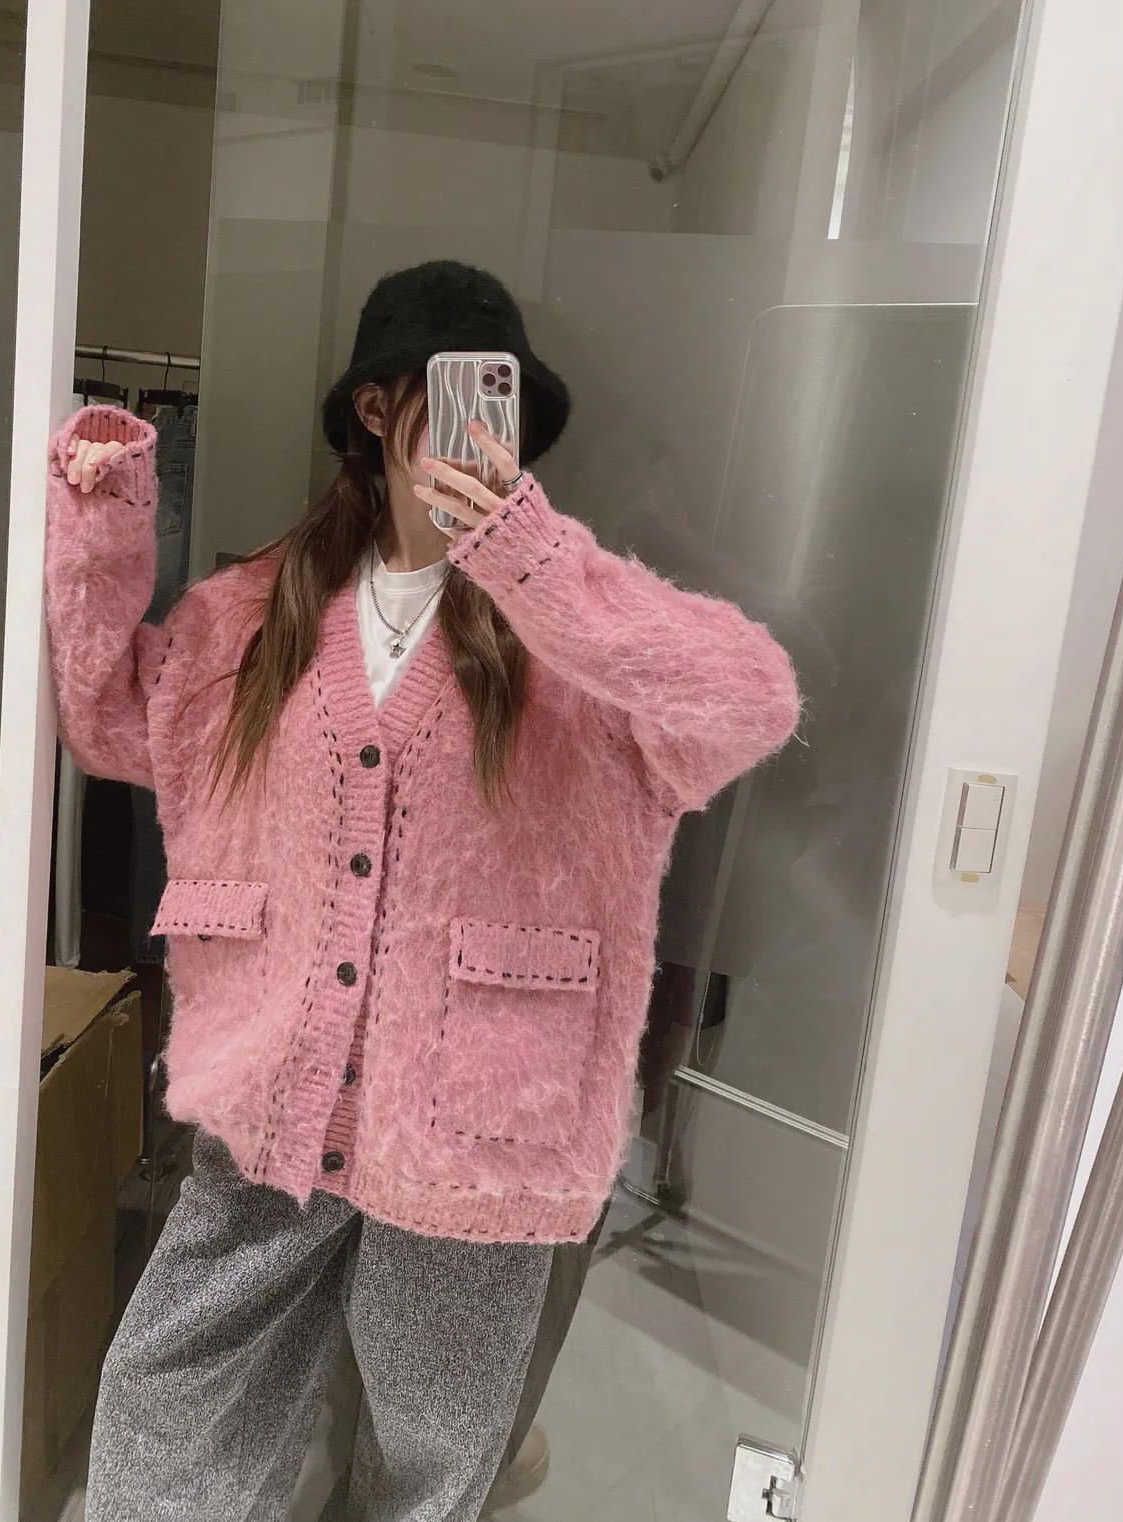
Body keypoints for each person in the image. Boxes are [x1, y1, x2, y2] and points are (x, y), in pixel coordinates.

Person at [44, 259, 800, 1522]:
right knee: (161, 1409)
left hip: (476, 1131)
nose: (476, 430)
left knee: (430, 1464)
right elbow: (113, 714)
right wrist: (104, 511)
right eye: (448, 395)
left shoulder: (577, 636)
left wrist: (531, 557)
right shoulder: (256, 616)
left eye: (500, 404)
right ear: (377, 408)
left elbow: (752, 699)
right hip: (272, 1107)